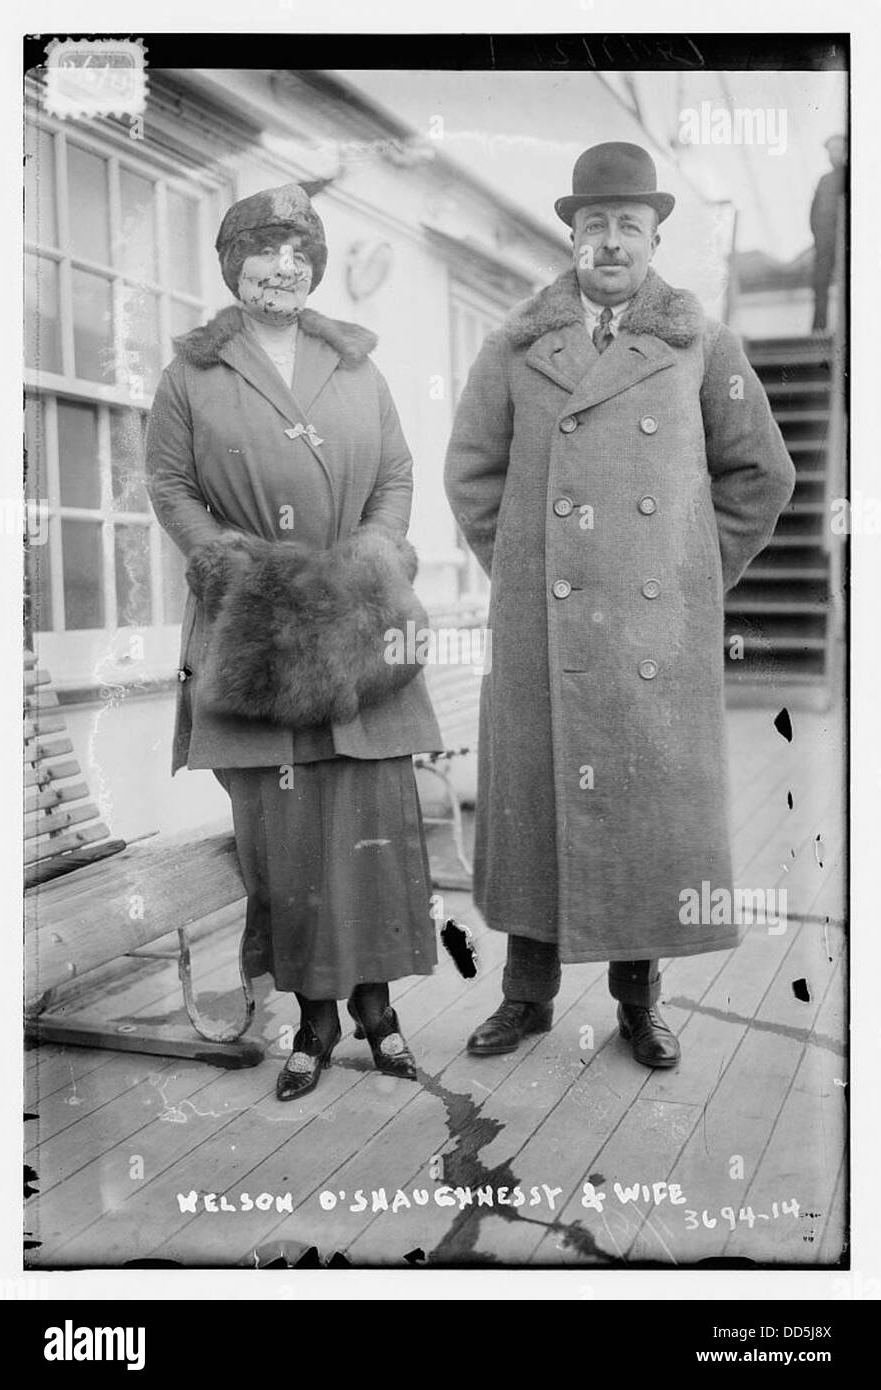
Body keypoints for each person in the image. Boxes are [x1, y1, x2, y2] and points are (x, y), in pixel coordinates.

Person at [444, 142, 796, 1068]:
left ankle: (639, 1003)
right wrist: (527, 568)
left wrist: (683, 571)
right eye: (593, 225)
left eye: (627, 227)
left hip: (653, 625)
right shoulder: (513, 344)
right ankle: (525, 998)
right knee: (534, 806)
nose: (609, 243)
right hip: (542, 623)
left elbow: (761, 473)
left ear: (652, 237)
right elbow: (472, 474)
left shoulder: (702, 344)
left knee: (641, 810)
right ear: (572, 234)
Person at [145, 183, 441, 1101]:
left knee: (371, 819)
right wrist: (225, 566)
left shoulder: (355, 365)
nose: (284, 266)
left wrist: (376, 557)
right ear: (233, 264)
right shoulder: (191, 374)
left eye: (299, 251)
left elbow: (394, 474)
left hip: (355, 614)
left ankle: (378, 1010)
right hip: (256, 626)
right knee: (288, 831)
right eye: (264, 250)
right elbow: (168, 484)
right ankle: (313, 1019)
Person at [809, 134, 846, 333]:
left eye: (838, 149)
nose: (834, 154)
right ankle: (818, 329)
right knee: (820, 284)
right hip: (824, 243)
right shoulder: (824, 180)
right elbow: (814, 212)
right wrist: (818, 236)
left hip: (846, 244)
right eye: (830, 150)